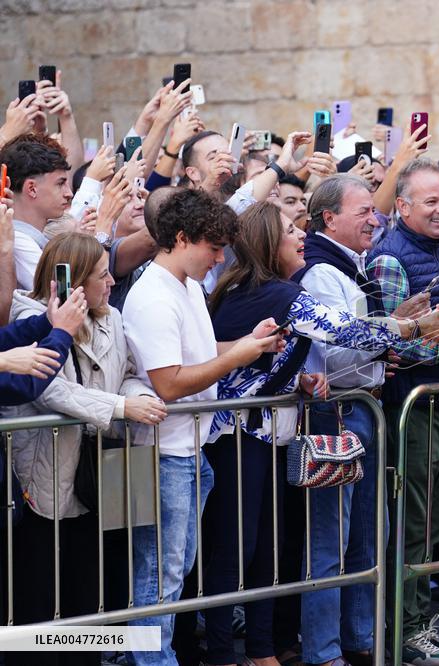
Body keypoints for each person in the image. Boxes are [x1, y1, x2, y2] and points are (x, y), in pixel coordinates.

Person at [295, 175, 439, 666]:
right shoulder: (322, 273)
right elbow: (339, 349)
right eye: (365, 211)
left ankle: (362, 641)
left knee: (369, 536)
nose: (375, 218)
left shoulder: (353, 265)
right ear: (330, 219)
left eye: (374, 210)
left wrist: (392, 336)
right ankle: (326, 652)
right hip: (339, 411)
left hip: (363, 408)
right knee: (332, 543)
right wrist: (401, 330)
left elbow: (363, 344)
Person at [121, 189, 284, 666]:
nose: (219, 258)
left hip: (190, 449)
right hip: (163, 453)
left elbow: (199, 348)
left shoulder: (187, 285)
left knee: (177, 570)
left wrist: (247, 343)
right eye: (213, 247)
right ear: (180, 238)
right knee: (161, 574)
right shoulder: (152, 295)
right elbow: (169, 382)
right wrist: (237, 355)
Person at [6, 233, 158, 666]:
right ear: (72, 283)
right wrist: (121, 405)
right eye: (101, 275)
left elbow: (127, 370)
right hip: (48, 470)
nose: (111, 282)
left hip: (102, 469)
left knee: (89, 587)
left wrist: (134, 397)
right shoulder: (34, 314)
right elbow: (50, 390)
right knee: (39, 590)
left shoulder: (110, 315)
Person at [366, 159, 439, 666]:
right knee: (413, 523)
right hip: (410, 409)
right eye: (430, 201)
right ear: (403, 206)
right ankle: (405, 629)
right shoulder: (390, 258)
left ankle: (422, 622)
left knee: (436, 522)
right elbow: (394, 344)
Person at [0, 134, 72, 289]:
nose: (69, 193)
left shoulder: (26, 239)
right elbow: (60, 295)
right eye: (60, 184)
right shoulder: (18, 242)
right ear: (32, 189)